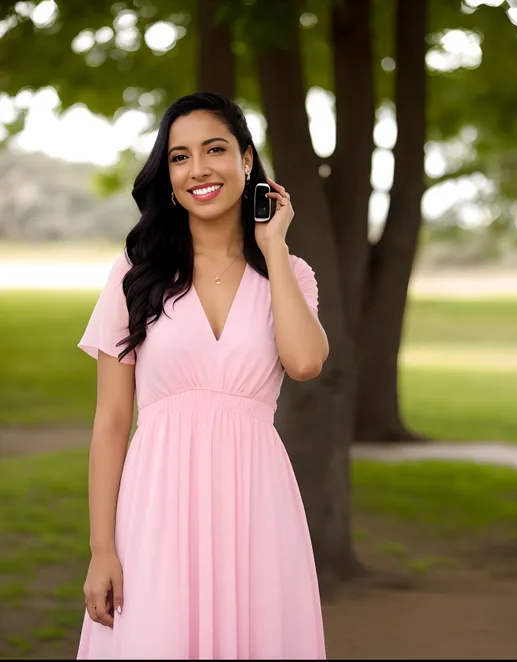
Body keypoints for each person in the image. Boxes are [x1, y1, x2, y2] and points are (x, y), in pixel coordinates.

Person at [76, 92, 328, 659]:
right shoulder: (134, 275)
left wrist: (273, 245)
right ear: (167, 176)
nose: (198, 170)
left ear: (246, 159)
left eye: (215, 150)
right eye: (179, 157)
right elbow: (112, 420)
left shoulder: (289, 274)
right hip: (155, 504)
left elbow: (306, 363)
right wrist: (101, 549)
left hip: (256, 502)